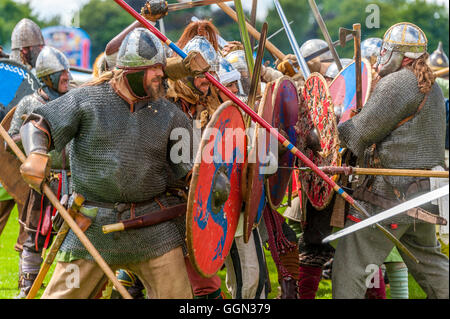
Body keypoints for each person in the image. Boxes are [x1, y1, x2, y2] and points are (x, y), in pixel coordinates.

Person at [19, 28, 195, 299]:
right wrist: (35, 153)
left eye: (161, 68)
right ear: (131, 73)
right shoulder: (87, 100)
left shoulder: (170, 114)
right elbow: (38, 123)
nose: (162, 75)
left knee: (179, 298)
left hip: (153, 226)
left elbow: (190, 170)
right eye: (154, 70)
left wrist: (202, 179)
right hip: (91, 224)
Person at [332, 22, 449, 299]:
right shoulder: (432, 87)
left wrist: (332, 128)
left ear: (399, 54)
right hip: (422, 195)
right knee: (430, 265)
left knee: (351, 262)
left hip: (388, 195)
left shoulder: (398, 83)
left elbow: (360, 133)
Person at [7, 47, 72, 298]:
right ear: (47, 78)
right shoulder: (29, 102)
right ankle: (27, 288)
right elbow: (10, 142)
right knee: (34, 238)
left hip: (74, 183)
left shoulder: (73, 98)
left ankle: (68, 288)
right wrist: (28, 137)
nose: (67, 76)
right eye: (61, 73)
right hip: (44, 182)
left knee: (73, 240)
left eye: (67, 71)